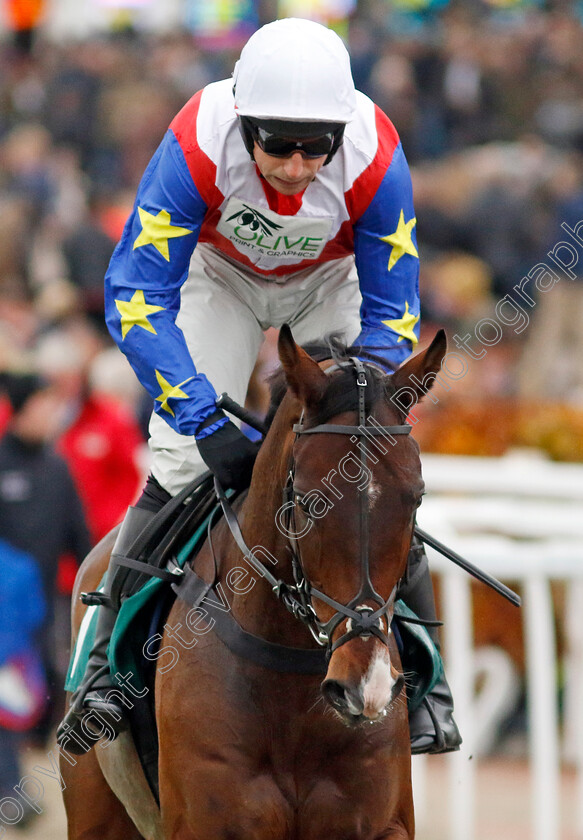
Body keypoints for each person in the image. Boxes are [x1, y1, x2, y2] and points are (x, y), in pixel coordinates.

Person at [58, 17, 460, 756]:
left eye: (317, 147)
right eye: (278, 143)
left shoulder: (377, 157)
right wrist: (201, 414)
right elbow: (135, 289)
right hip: (220, 282)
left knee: (363, 464)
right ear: (243, 123)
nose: (298, 165)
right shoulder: (194, 144)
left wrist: (363, 406)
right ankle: (106, 675)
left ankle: (428, 681)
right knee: (180, 455)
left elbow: (390, 310)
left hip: (327, 288)